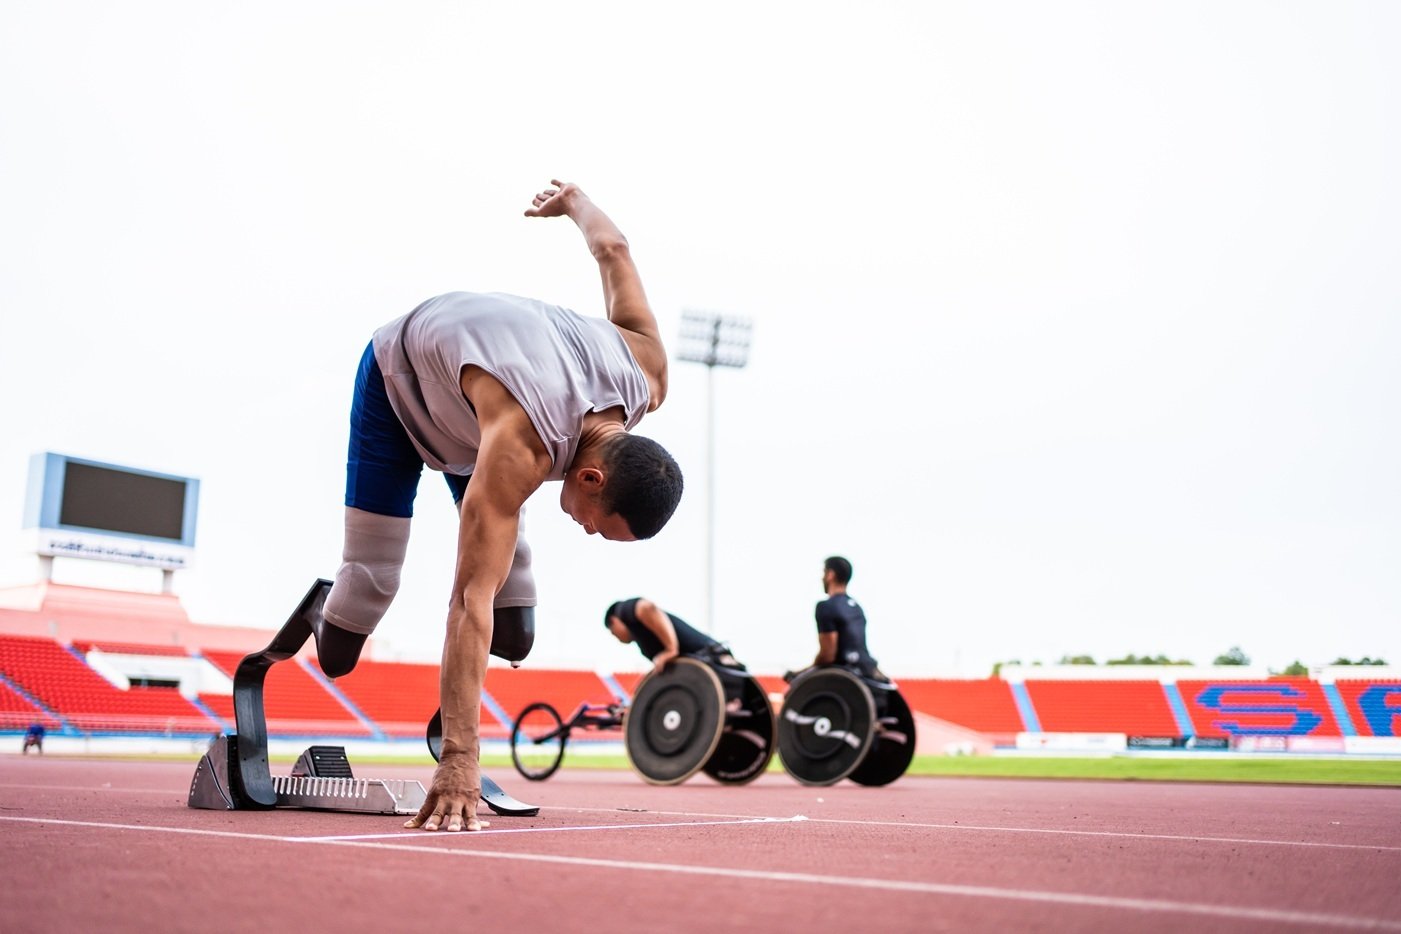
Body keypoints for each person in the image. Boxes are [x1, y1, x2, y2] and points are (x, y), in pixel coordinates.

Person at [312, 181, 683, 833]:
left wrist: (575, 201)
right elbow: (465, 601)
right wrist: (460, 757)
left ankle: (454, 700)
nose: (588, 532)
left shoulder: (646, 374)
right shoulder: (521, 448)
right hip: (400, 392)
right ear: (591, 477)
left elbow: (615, 251)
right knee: (361, 610)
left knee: (517, 634)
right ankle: (325, 609)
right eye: (601, 529)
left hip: (479, 407)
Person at [791, 556, 885, 682]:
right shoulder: (856, 607)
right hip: (867, 669)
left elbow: (828, 655)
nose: (822, 578)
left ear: (830, 575)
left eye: (824, 572)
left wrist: (799, 674)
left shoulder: (825, 606)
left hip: (844, 673)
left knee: (793, 685)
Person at [604, 598, 741, 674]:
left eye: (613, 633)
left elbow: (646, 607)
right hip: (705, 668)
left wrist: (670, 649)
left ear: (614, 621)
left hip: (716, 660)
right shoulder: (642, 641)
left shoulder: (622, 611)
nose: (617, 638)